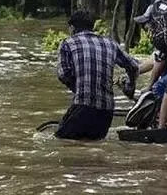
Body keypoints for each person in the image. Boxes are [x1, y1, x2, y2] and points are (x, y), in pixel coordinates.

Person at [55, 10, 139, 140]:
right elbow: (133, 66)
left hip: (83, 106)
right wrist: (130, 86)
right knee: (93, 145)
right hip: (106, 112)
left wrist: (78, 89)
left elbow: (63, 74)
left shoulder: (68, 43)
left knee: (60, 142)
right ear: (92, 26)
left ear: (72, 28)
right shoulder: (110, 43)